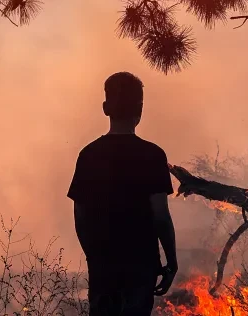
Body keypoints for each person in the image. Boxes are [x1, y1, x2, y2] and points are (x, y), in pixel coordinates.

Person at [68, 72, 179, 316]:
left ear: (105, 108)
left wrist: (94, 258)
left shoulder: (89, 155)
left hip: (103, 268)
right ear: (140, 109)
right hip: (141, 267)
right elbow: (160, 214)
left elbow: (80, 217)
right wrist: (172, 261)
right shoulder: (153, 155)